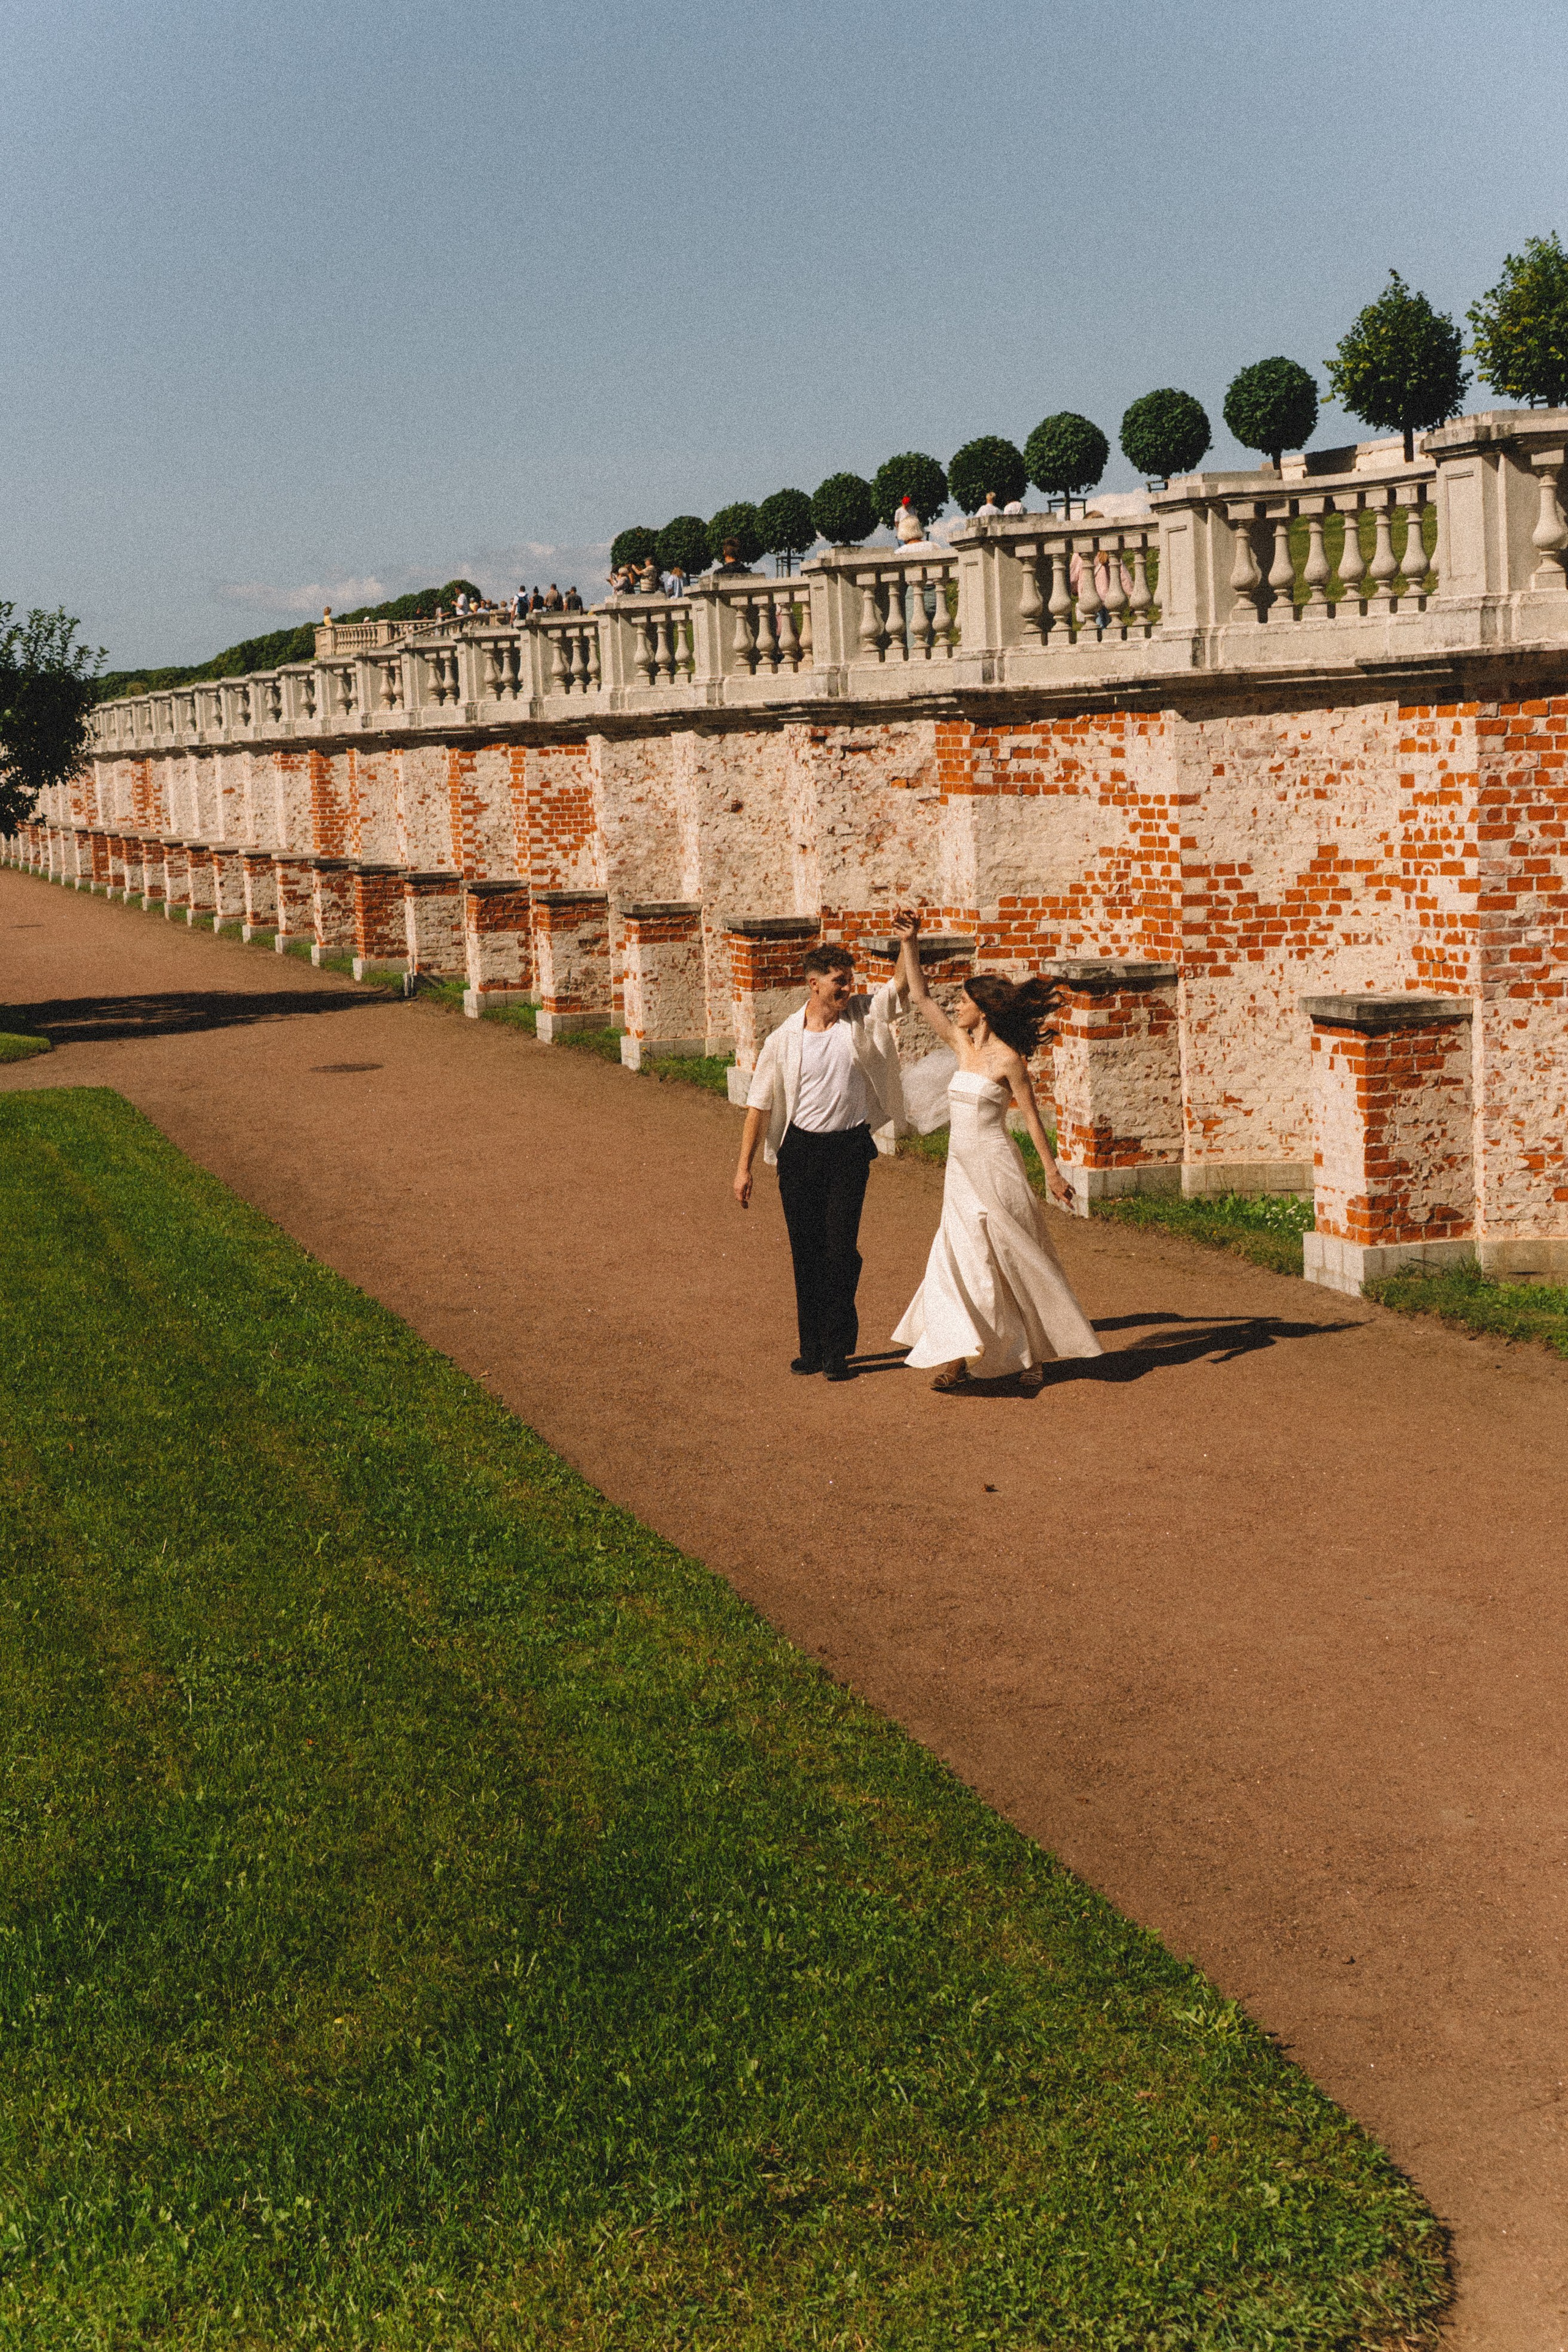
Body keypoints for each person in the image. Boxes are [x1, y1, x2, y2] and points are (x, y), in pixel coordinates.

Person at [889, 910, 1102, 1392]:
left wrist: (1051, 1174)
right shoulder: (962, 1047)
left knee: (1013, 1256)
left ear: (982, 1009)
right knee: (958, 1257)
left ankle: (1035, 1358)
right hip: (959, 1172)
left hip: (997, 1166)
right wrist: (910, 942)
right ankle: (958, 1357)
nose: (956, 1006)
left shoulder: (1009, 1061)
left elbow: (1030, 1118)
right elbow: (919, 995)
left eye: (963, 1001)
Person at [732, 940, 908, 1382]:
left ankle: (837, 1349)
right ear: (814, 984)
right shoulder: (784, 1039)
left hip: (849, 1150)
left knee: (840, 1251)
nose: (848, 986)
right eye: (839, 980)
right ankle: (811, 1349)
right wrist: (743, 1168)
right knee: (806, 1252)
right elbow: (760, 1104)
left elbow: (901, 988)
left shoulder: (862, 1017)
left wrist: (909, 942)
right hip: (800, 1154)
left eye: (850, 978)